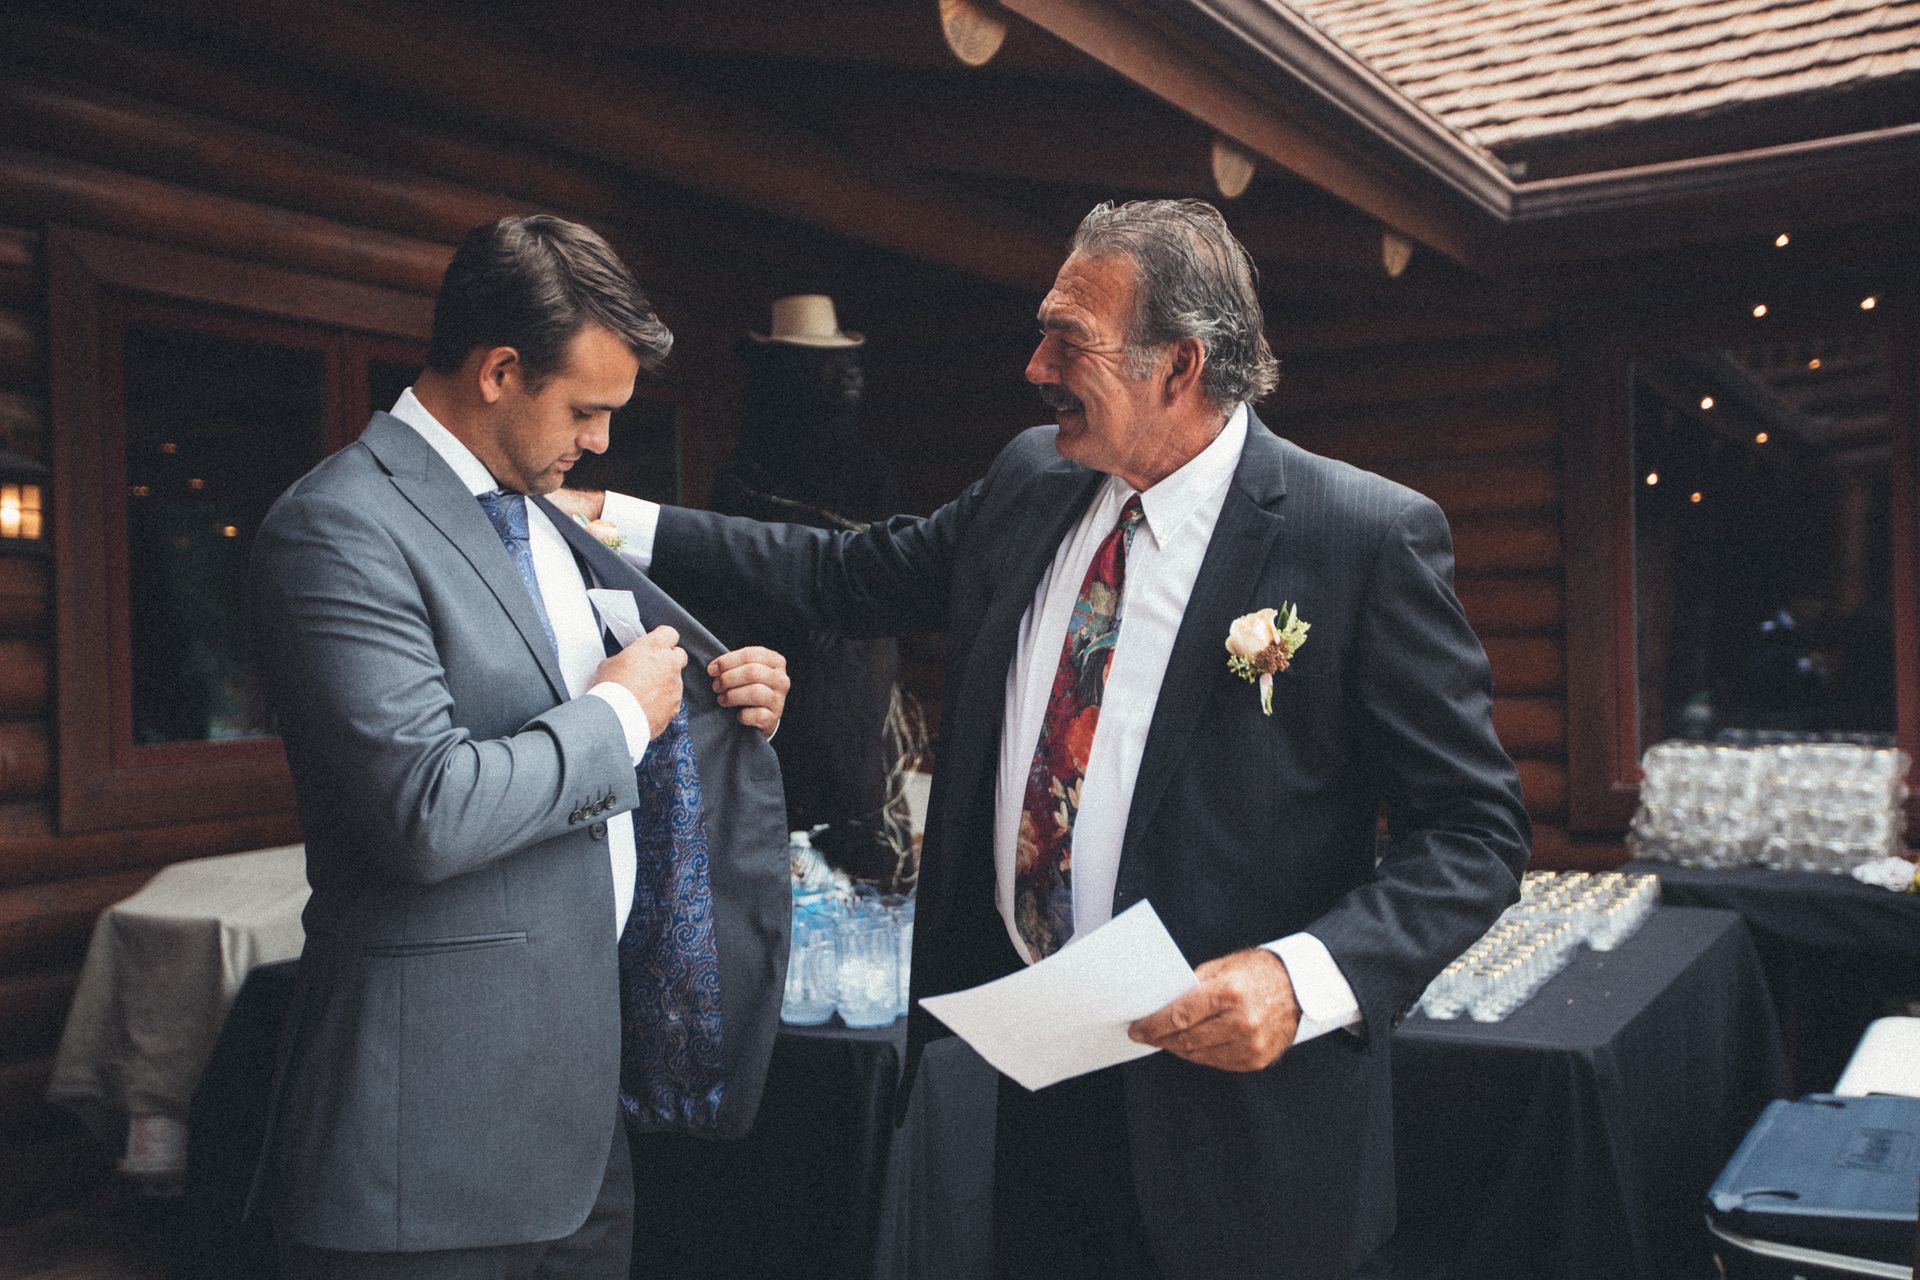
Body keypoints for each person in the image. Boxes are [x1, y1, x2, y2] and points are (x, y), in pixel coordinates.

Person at [557, 199, 1530, 1279]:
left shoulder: (1359, 538)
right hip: (1036, 1093)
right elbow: (845, 573)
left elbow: (1475, 831)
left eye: (1071, 340)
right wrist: (613, 519)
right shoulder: (1034, 479)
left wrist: (1306, 978)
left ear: (1181, 366)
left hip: (1243, 1138)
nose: (1034, 365)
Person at [248, 215, 794, 1280]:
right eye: (585, 408)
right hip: (424, 1155)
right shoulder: (339, 525)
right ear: (501, 369)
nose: (598, 440)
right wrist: (621, 716)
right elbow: (426, 807)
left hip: (582, 1138)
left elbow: (619, 702)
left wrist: (718, 697)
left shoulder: (544, 519)